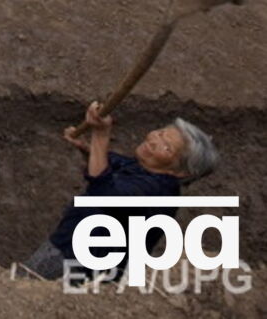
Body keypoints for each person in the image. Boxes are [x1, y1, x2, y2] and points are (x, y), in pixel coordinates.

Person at [23, 101, 219, 281]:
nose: (154, 140)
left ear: (181, 171)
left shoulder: (155, 193)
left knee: (27, 290)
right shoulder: (147, 168)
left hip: (82, 264)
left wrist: (100, 136)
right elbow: (116, 163)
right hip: (70, 245)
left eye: (166, 147)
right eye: (160, 133)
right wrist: (86, 148)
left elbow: (105, 194)